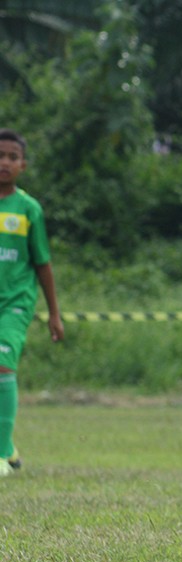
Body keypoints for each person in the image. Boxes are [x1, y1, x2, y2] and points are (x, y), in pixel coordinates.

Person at [0, 129, 64, 477]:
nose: (4, 163)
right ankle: (8, 448)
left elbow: (42, 263)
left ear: (22, 165)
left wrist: (54, 314)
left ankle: (0, 453)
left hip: (15, 303)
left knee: (2, 366)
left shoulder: (28, 209)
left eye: (11, 157)